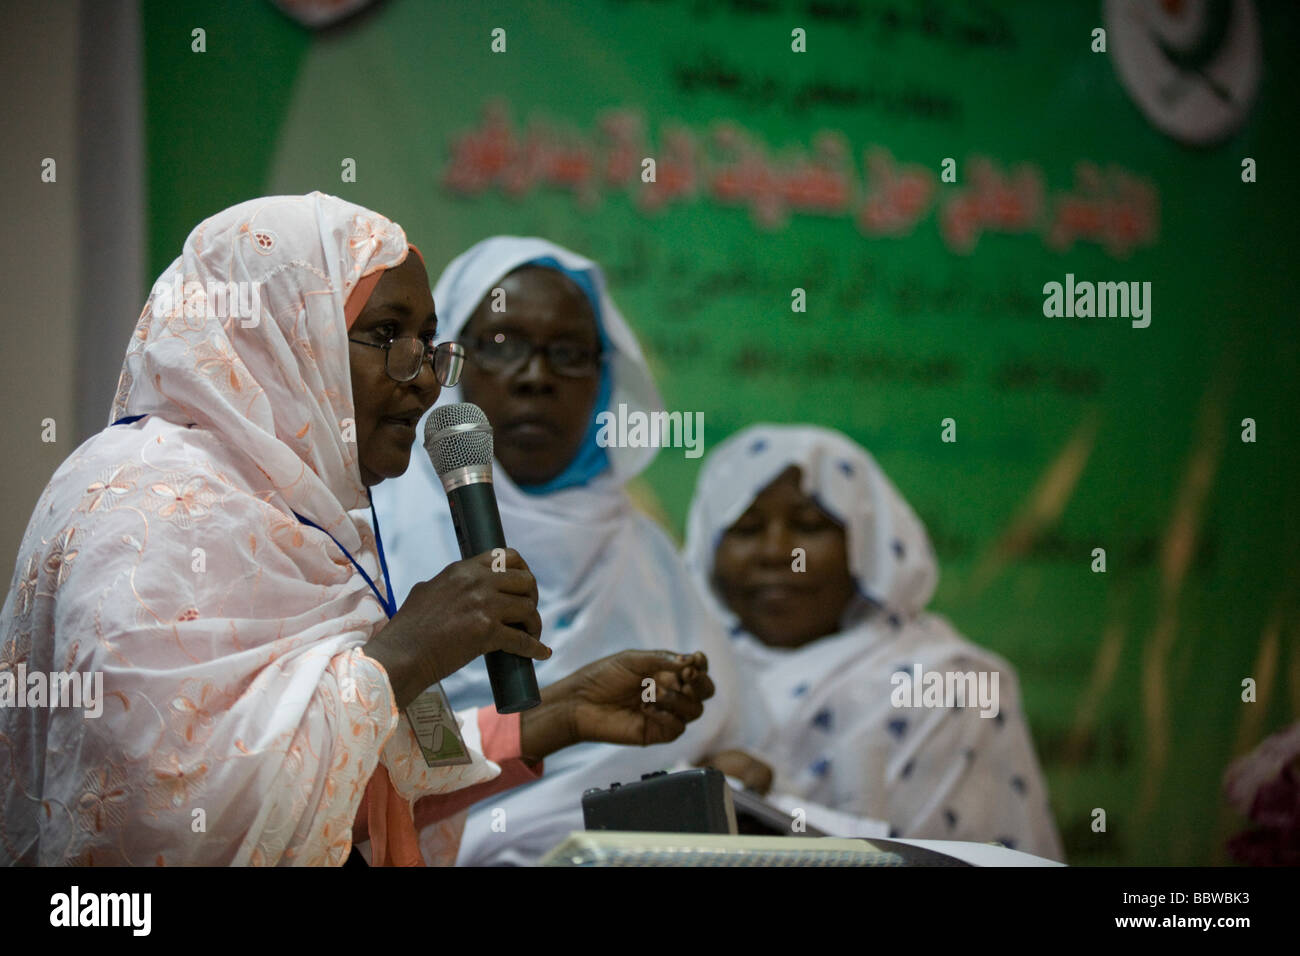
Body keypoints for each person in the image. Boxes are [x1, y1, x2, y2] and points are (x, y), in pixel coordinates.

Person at [0, 193, 714, 867]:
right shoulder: (149, 503)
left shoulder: (309, 523)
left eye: (430, 343)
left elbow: (355, 777)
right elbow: (164, 813)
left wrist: (560, 713)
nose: (428, 380)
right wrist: (405, 650)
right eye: (386, 335)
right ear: (278, 328)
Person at [373, 236, 737, 865]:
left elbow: (726, 736)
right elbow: (361, 761)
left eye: (567, 353)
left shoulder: (649, 556)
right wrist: (558, 717)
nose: (537, 377)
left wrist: (726, 775)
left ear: (604, 377)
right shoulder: (375, 535)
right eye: (504, 344)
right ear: (449, 361)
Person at [684, 424, 1064, 861]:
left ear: (869, 547)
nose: (777, 551)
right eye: (746, 529)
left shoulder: (951, 687)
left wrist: (755, 809)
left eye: (809, 525)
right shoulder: (670, 674)